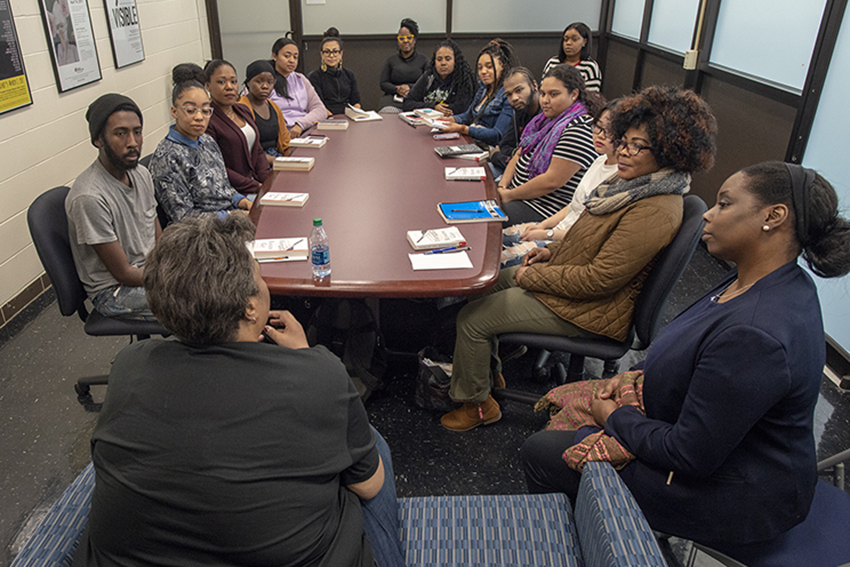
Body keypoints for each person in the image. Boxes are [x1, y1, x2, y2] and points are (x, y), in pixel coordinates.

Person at [521, 161, 850, 563]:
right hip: (721, 454)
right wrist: (640, 376)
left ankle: (599, 549)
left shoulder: (756, 332)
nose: (709, 213)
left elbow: (688, 455)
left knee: (541, 454)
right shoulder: (763, 279)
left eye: (725, 204)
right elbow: (698, 354)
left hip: (734, 496)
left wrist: (613, 417)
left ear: (773, 217)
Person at [72, 214, 406, 567]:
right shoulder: (321, 375)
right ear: (249, 308)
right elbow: (369, 486)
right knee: (372, 448)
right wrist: (308, 359)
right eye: (259, 276)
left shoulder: (129, 365)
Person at [439, 85, 717, 432]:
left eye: (637, 146)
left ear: (668, 152)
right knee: (487, 283)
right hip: (573, 286)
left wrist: (532, 276)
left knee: (473, 319)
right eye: (624, 141)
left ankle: (478, 405)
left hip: (593, 310)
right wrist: (549, 251)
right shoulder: (632, 184)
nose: (623, 151)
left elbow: (599, 279)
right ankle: (487, 374)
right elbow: (586, 238)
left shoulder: (655, 209)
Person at [65, 93, 159, 320]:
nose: (133, 142)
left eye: (137, 132)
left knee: (218, 281)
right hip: (115, 291)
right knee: (202, 302)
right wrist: (174, 277)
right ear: (98, 139)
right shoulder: (89, 197)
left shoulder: (141, 173)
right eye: (121, 133)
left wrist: (178, 265)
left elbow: (157, 234)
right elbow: (124, 274)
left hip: (149, 269)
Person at [501, 100, 618, 267]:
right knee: (494, 238)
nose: (600, 135)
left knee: (500, 259)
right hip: (556, 228)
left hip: (567, 242)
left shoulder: (617, 177)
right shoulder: (600, 161)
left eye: (610, 132)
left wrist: (547, 233)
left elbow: (587, 234)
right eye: (598, 127)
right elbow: (574, 205)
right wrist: (542, 226)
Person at [496, 64, 599, 225]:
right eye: (543, 94)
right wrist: (502, 185)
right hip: (516, 194)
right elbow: (519, 153)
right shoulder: (543, 120)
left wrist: (509, 195)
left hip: (542, 208)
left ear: (574, 94)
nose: (545, 100)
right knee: (474, 193)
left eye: (554, 94)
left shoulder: (579, 129)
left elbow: (551, 181)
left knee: (482, 219)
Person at [150, 68, 251, 224]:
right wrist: (231, 216)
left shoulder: (207, 141)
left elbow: (223, 188)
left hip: (231, 216)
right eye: (190, 110)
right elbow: (183, 217)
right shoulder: (168, 157)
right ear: (174, 112)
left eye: (205, 111)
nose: (199, 117)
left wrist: (241, 201)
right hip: (201, 233)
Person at [204, 59, 270, 195]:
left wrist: (268, 182)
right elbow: (218, 168)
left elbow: (257, 150)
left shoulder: (243, 110)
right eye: (221, 82)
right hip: (234, 192)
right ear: (208, 86)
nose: (229, 87)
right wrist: (258, 187)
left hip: (256, 184)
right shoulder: (208, 120)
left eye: (233, 81)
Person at [439, 39, 520, 147]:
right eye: (480, 67)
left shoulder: (507, 94)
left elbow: (497, 135)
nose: (483, 71)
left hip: (488, 150)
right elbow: (468, 116)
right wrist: (451, 119)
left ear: (502, 66)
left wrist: (463, 129)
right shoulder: (483, 88)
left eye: (489, 66)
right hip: (472, 142)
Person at [269, 37, 328, 138]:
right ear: (274, 56)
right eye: (287, 56)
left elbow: (320, 109)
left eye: (295, 57)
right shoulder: (266, 80)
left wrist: (300, 124)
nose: (292, 60)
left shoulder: (300, 79)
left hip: (305, 130)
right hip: (280, 135)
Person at [489, 67, 542, 176]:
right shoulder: (520, 110)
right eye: (509, 94)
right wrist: (513, 154)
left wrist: (496, 156)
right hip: (511, 169)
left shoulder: (546, 114)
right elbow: (505, 145)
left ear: (534, 86)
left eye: (519, 90)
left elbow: (529, 162)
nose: (514, 98)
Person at [237, 59, 291, 165]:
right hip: (255, 162)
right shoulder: (241, 107)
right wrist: (278, 162)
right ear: (248, 83)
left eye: (270, 82)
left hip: (276, 156)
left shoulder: (274, 107)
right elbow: (246, 150)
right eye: (259, 81)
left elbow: (285, 142)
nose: (265, 86)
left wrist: (289, 159)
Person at [402, 39, 475, 117]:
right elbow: (407, 103)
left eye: (448, 59)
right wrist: (433, 106)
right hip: (425, 122)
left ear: (455, 61)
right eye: (439, 59)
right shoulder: (428, 76)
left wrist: (439, 110)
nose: (443, 63)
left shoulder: (464, 79)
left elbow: (461, 108)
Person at [308, 27, 361, 115]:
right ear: (322, 54)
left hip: (348, 116)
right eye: (327, 52)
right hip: (327, 117)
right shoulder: (315, 77)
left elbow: (356, 102)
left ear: (341, 54)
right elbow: (319, 105)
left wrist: (354, 114)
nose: (331, 55)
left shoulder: (349, 75)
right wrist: (334, 119)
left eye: (335, 51)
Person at [378, 18, 428, 110]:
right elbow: (383, 83)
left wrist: (409, 87)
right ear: (398, 41)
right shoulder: (391, 60)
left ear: (414, 40)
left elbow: (427, 83)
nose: (405, 41)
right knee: (387, 111)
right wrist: (397, 89)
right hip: (393, 101)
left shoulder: (423, 60)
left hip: (416, 101)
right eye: (401, 38)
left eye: (409, 37)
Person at [543, 22, 602, 92]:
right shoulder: (552, 62)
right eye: (566, 39)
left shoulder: (590, 67)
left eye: (574, 39)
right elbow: (543, 89)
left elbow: (592, 97)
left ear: (584, 41)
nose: (568, 43)